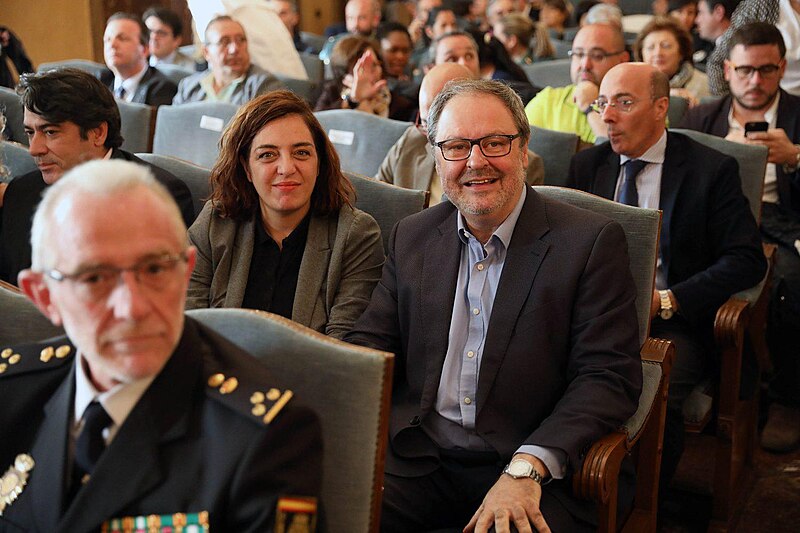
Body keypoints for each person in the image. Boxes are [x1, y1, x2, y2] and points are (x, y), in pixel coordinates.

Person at [346, 78, 642, 532]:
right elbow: (370, 346)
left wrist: (528, 466)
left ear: (524, 150)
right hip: (420, 457)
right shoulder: (414, 236)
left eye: (494, 143)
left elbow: (607, 377)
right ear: (436, 156)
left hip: (534, 466)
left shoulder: (589, 243)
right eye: (457, 146)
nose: (475, 161)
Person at [0, 159, 322, 531]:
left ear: (185, 273)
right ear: (44, 296)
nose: (133, 307)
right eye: (94, 278)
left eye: (154, 269)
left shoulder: (263, 440)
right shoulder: (12, 391)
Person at [568, 62, 766, 486]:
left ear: (661, 107)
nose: (607, 116)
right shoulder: (588, 168)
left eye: (623, 102)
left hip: (672, 323)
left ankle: (639, 505)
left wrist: (670, 300)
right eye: (603, 103)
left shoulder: (711, 170)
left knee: (651, 393)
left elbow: (746, 258)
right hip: (592, 318)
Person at [679, 22, 800, 452]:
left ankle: (786, 397)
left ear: (782, 68)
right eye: (746, 70)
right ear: (727, 70)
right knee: (695, 272)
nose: (755, 81)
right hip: (717, 221)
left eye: (767, 70)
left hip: (782, 219)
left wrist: (795, 159)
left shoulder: (797, 115)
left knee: (791, 284)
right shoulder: (701, 117)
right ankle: (722, 373)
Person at [187, 91, 385, 340]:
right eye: (267, 155)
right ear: (247, 168)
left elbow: (342, 349)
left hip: (309, 376)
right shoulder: (215, 223)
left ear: (319, 162)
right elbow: (189, 324)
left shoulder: (355, 234)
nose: (287, 168)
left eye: (301, 153)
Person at [0, 68, 194, 285]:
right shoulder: (20, 193)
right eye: (30, 133)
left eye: (50, 132)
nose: (34, 149)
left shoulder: (158, 196)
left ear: (98, 133)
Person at [376, 62, 544, 203]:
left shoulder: (516, 160)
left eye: (493, 143)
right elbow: (373, 198)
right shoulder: (412, 140)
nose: (431, 137)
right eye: (426, 123)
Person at [525, 23, 629, 145]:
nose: (585, 65)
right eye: (578, 54)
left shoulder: (632, 105)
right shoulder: (547, 100)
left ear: (622, 60)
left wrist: (589, 108)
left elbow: (619, 156)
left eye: (597, 56)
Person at [173, 15, 284, 105]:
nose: (234, 49)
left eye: (241, 40)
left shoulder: (264, 84)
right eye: (224, 41)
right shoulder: (188, 86)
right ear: (206, 52)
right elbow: (171, 128)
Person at [315, 35, 416, 120]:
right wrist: (353, 100)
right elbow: (317, 124)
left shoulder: (400, 105)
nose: (370, 74)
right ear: (345, 76)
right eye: (361, 68)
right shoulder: (332, 92)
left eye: (374, 65)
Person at [99, 12, 178, 106]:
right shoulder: (100, 82)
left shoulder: (162, 89)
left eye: (122, 38)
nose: (112, 45)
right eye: (107, 39)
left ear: (145, 49)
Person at [634, 16, 711, 106]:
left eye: (666, 46)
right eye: (650, 48)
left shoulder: (705, 85)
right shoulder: (631, 86)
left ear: (681, 52)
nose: (658, 53)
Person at [694, 0, 739, 73]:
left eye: (700, 12)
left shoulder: (737, 49)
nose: (696, 20)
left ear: (719, 12)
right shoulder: (713, 47)